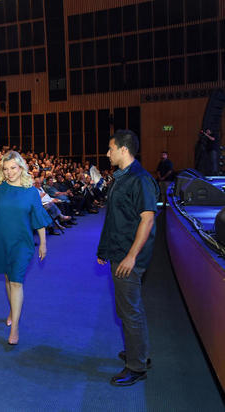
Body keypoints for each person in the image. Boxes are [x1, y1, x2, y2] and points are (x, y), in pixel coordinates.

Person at [97, 130, 158, 386]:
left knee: (129, 311)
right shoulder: (120, 177)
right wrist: (104, 250)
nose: (107, 153)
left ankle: (136, 366)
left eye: (110, 149)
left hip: (128, 256)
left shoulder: (140, 179)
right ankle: (139, 353)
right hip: (118, 250)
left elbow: (148, 219)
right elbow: (114, 218)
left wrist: (131, 257)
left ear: (124, 149)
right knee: (128, 308)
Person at [0, 151, 52, 345]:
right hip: (1, 240)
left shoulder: (31, 192)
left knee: (16, 281)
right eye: (5, 169)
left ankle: (15, 328)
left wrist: (43, 243)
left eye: (13, 168)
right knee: (8, 277)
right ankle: (13, 310)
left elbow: (39, 219)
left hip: (22, 242)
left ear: (21, 168)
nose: (9, 172)